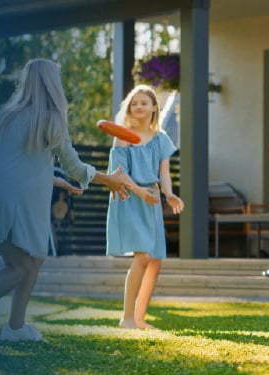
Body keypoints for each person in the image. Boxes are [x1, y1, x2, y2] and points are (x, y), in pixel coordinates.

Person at [0, 59, 145, 343]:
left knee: (35, 257)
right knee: (19, 267)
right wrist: (111, 180)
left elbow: (14, 164)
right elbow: (76, 168)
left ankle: (15, 328)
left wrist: (55, 179)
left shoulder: (8, 115)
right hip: (5, 199)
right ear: (53, 85)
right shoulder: (51, 118)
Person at [106, 85, 181, 330]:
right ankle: (126, 318)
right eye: (134, 102)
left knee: (155, 260)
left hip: (152, 200)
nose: (138, 106)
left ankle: (139, 319)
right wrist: (140, 192)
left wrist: (168, 194)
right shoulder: (122, 135)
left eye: (143, 102)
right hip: (129, 197)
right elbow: (118, 174)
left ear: (153, 107)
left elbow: (164, 173)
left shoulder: (161, 139)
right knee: (143, 256)